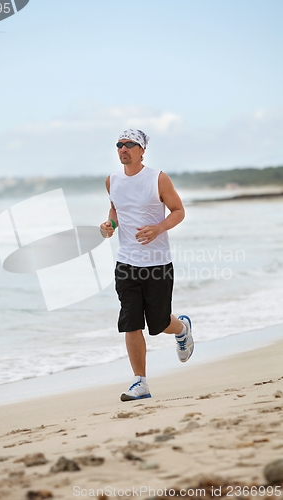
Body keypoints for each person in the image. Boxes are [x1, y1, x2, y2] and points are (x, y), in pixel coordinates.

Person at [100, 129, 194, 402]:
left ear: (142, 150)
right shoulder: (112, 181)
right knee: (130, 321)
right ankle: (140, 382)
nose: (123, 149)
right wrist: (110, 225)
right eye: (119, 144)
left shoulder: (158, 178)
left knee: (160, 322)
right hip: (126, 261)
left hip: (157, 262)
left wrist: (157, 228)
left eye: (129, 144)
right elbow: (116, 210)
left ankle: (182, 329)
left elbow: (178, 211)